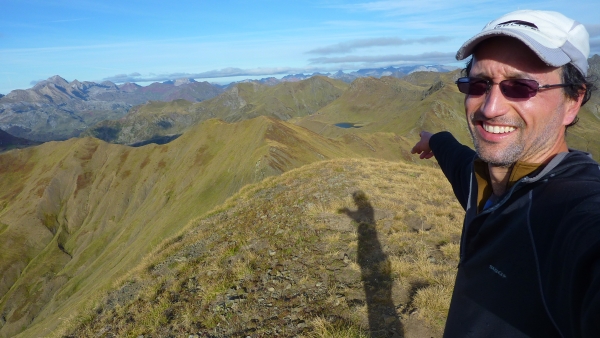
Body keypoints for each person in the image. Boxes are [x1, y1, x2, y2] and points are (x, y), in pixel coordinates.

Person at [411, 10, 600, 337]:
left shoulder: (575, 212)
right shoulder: (483, 183)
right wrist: (436, 141)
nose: (489, 108)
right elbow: (459, 161)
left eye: (520, 86)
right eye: (478, 84)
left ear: (573, 101)